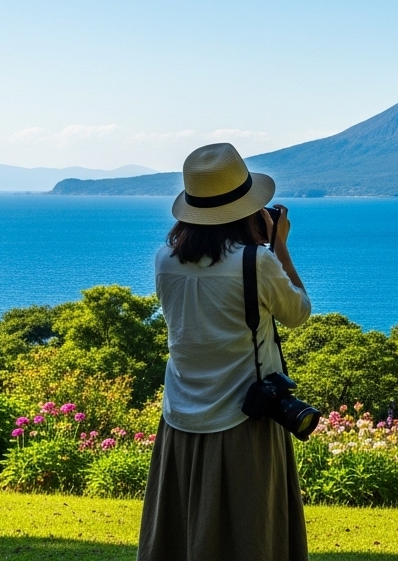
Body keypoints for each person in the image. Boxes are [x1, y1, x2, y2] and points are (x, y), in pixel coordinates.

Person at [138, 143, 312, 561]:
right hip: (244, 418)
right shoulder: (256, 262)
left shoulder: (164, 260)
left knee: (183, 531)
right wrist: (279, 247)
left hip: (180, 416)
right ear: (249, 208)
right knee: (250, 533)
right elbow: (298, 313)